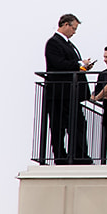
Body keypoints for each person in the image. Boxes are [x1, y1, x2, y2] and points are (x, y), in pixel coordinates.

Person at [43, 13, 94, 164]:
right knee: (59, 126)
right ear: (65, 25)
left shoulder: (67, 44)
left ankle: (79, 154)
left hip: (69, 93)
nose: (74, 32)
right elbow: (58, 64)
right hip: (60, 93)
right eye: (74, 28)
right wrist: (79, 64)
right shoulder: (53, 43)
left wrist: (82, 67)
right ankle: (61, 157)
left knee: (78, 124)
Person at [90, 44, 107, 163]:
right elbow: (96, 93)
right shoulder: (103, 74)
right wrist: (101, 96)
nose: (105, 60)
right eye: (104, 57)